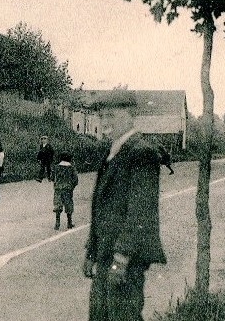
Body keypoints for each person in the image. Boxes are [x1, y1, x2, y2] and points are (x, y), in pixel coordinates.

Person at [84, 116, 166, 321]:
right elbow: (101, 208)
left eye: (113, 113)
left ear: (129, 116)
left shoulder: (142, 152)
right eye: (102, 114)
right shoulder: (113, 151)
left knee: (123, 316)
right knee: (100, 315)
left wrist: (121, 258)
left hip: (126, 258)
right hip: (105, 254)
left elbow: (141, 212)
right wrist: (92, 252)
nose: (105, 120)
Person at [52, 152, 79, 230]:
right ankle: (69, 223)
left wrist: (56, 184)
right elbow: (76, 180)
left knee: (58, 205)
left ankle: (57, 223)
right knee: (68, 205)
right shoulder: (72, 168)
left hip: (58, 188)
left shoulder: (56, 167)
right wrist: (72, 186)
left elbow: (52, 177)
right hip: (68, 188)